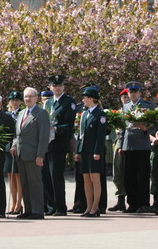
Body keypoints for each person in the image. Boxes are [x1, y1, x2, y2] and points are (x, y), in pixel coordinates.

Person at [10, 87, 50, 220]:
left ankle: (37, 211)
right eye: (26, 97)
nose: (27, 99)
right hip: (21, 155)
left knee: (35, 183)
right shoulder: (21, 113)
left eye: (30, 97)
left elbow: (44, 136)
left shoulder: (41, 113)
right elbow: (18, 134)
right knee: (25, 184)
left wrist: (40, 155)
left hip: (34, 155)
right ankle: (28, 210)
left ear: (36, 98)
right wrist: (14, 146)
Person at [42, 75, 76, 216]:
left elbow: (69, 125)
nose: (57, 87)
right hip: (47, 144)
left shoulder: (68, 102)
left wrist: (56, 129)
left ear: (63, 87)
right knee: (47, 177)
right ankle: (51, 206)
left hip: (59, 143)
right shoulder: (47, 102)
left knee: (56, 176)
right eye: (54, 85)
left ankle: (60, 207)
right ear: (50, 87)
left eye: (60, 85)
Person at [120, 82, 154, 213]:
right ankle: (132, 204)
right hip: (128, 146)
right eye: (130, 92)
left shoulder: (147, 106)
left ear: (140, 93)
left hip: (142, 144)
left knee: (143, 176)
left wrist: (145, 128)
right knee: (129, 177)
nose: (132, 94)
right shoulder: (125, 106)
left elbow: (153, 125)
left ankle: (144, 203)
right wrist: (120, 144)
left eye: (135, 91)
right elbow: (122, 127)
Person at [75, 86, 107, 217]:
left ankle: (95, 207)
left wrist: (97, 152)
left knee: (95, 179)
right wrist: (78, 151)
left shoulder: (100, 114)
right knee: (86, 179)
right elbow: (80, 134)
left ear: (91, 99)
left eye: (85, 97)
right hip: (84, 151)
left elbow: (100, 136)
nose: (83, 100)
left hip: (94, 151)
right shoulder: (85, 114)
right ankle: (88, 206)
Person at [108, 88, 130, 211]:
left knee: (130, 174)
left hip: (131, 145)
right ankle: (120, 200)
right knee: (117, 173)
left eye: (127, 96)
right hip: (118, 144)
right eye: (124, 97)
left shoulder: (135, 111)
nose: (126, 99)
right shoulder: (118, 113)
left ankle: (132, 201)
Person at [4, 91, 23, 214]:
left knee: (18, 176)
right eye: (12, 100)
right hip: (8, 147)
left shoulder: (22, 113)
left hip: (18, 147)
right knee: (10, 176)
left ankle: (19, 203)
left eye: (17, 100)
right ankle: (13, 201)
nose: (15, 102)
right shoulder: (6, 115)